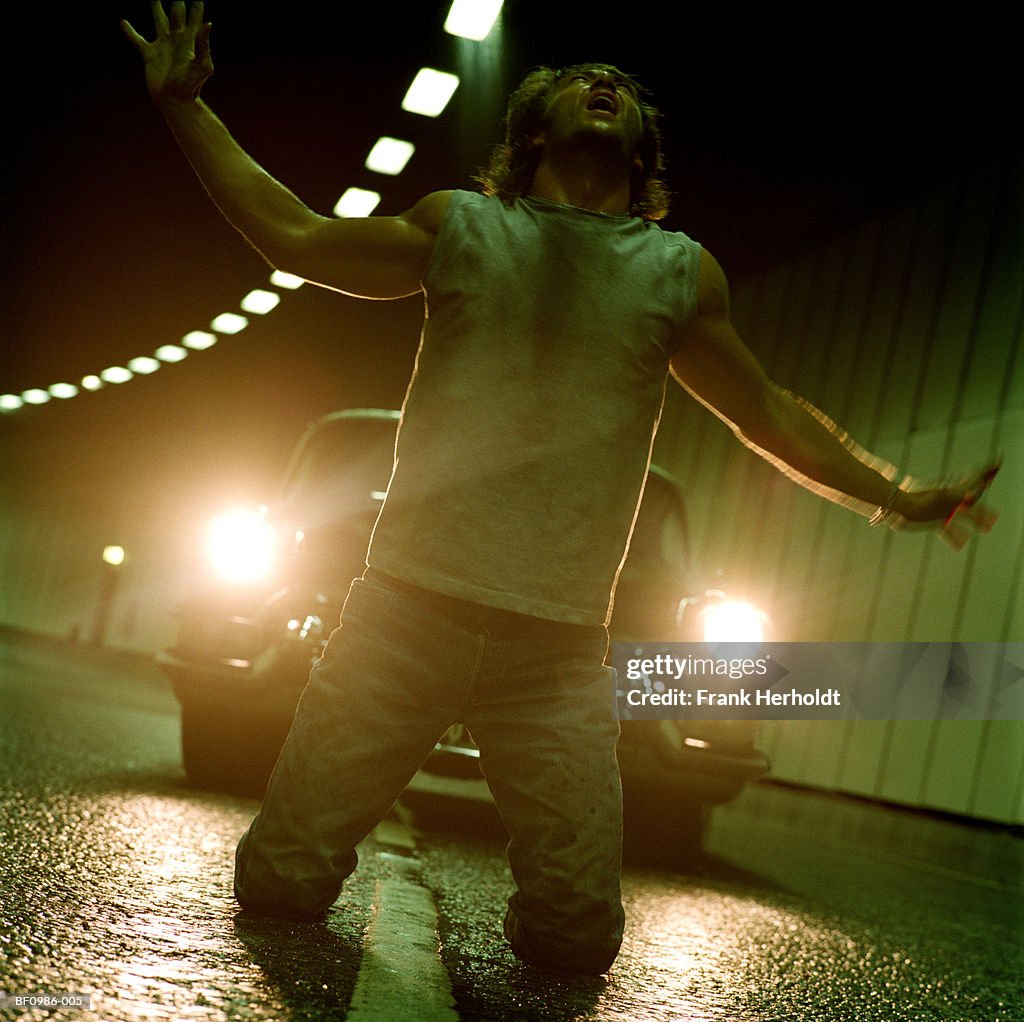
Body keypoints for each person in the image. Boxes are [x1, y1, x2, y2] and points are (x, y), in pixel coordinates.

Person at [123, 2, 998, 975]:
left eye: (623, 91)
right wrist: (185, 110)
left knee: (580, 938)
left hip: (556, 652)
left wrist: (903, 495)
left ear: (641, 150)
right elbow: (293, 235)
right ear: (535, 129)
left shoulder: (677, 274)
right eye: (585, 81)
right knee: (278, 885)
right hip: (403, 617)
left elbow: (770, 414)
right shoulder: (460, 226)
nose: (607, 85)